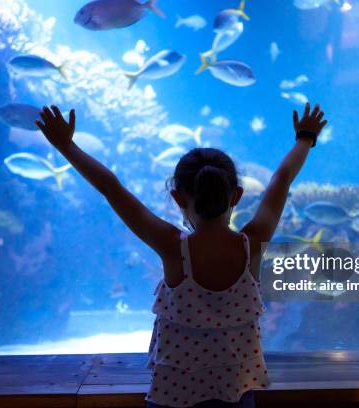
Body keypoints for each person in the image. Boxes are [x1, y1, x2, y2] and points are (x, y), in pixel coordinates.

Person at [35, 102, 327, 408]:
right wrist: (305, 137)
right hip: (235, 395)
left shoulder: (173, 247)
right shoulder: (252, 243)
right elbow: (281, 178)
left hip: (173, 399)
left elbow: (110, 187)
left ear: (177, 198)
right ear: (237, 196)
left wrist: (65, 145)